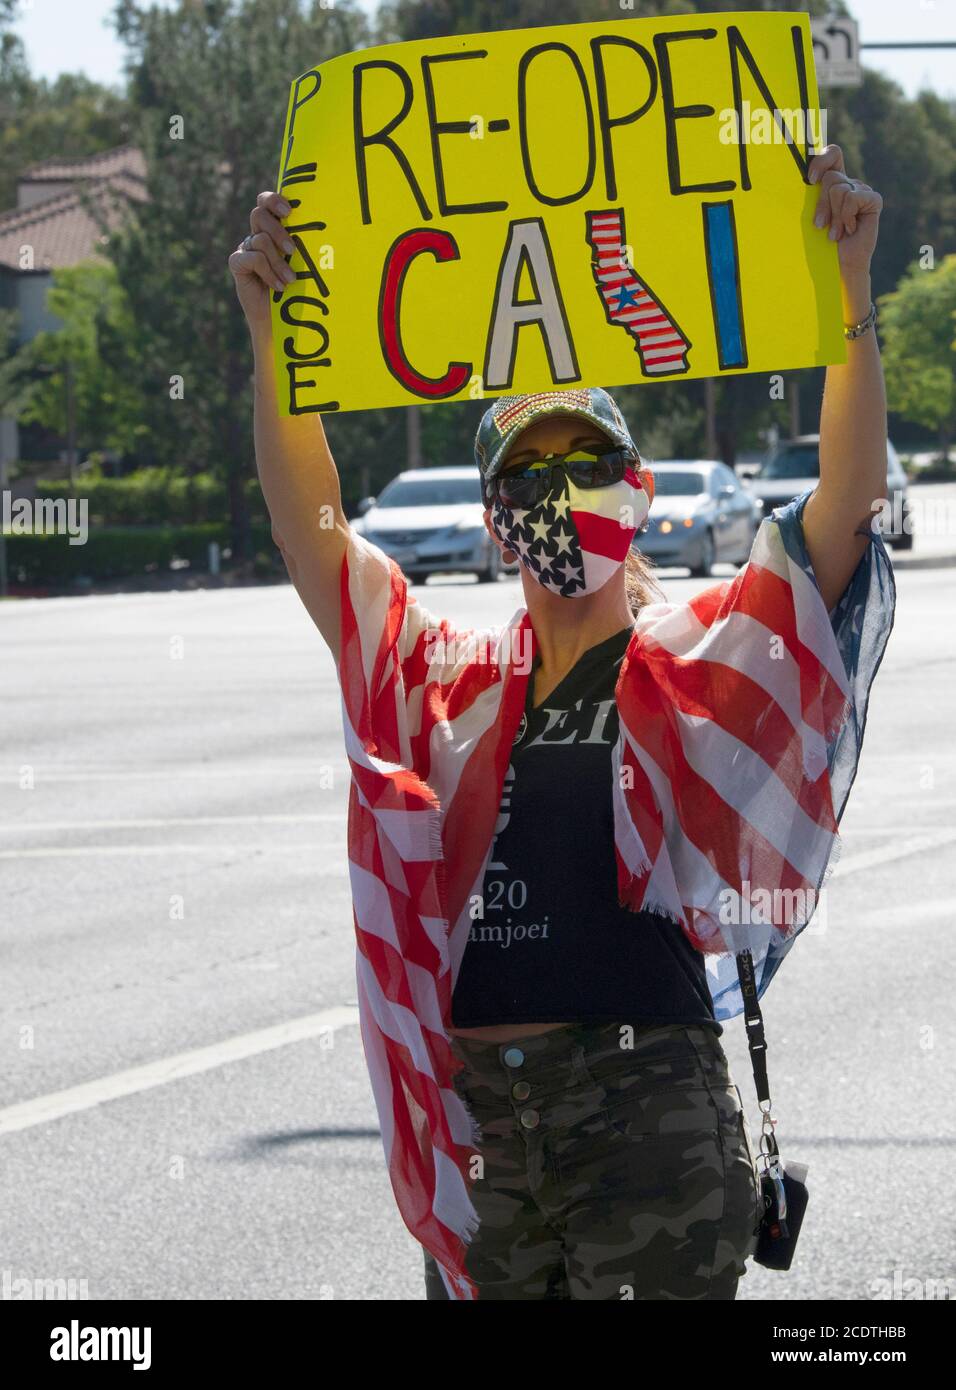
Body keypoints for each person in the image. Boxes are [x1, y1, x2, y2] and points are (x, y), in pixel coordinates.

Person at [229, 143, 896, 1300]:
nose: (556, 494)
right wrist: (272, 336)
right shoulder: (437, 675)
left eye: (584, 463)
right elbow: (312, 533)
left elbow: (842, 507)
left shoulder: (696, 654)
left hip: (647, 1124)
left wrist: (847, 292)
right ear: (495, 523)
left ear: (635, 490)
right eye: (524, 479)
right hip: (475, 1135)